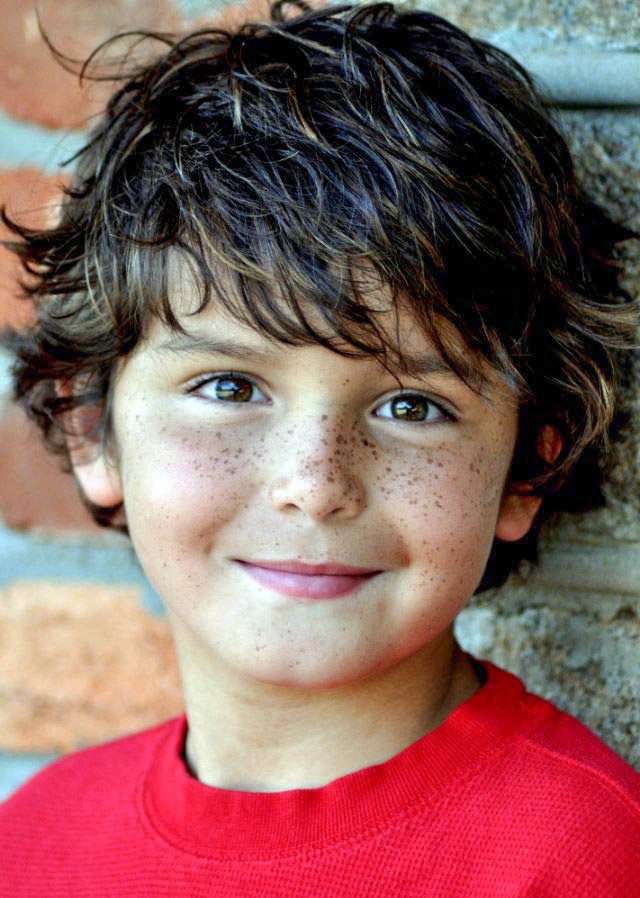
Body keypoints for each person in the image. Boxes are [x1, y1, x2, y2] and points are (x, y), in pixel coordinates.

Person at [0, 1, 639, 894]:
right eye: (229, 388)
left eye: (413, 406)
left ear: (528, 467)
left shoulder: (582, 855)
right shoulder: (33, 842)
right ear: (90, 428)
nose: (314, 485)